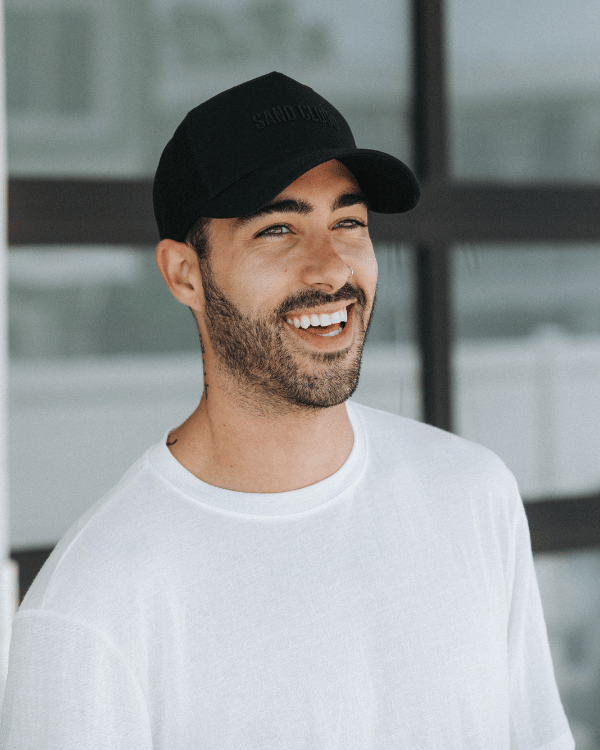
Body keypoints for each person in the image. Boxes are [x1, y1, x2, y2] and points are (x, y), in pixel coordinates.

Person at [0, 72, 573, 749]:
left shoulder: (473, 496)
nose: (330, 268)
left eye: (349, 223)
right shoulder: (95, 604)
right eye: (277, 230)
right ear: (185, 273)